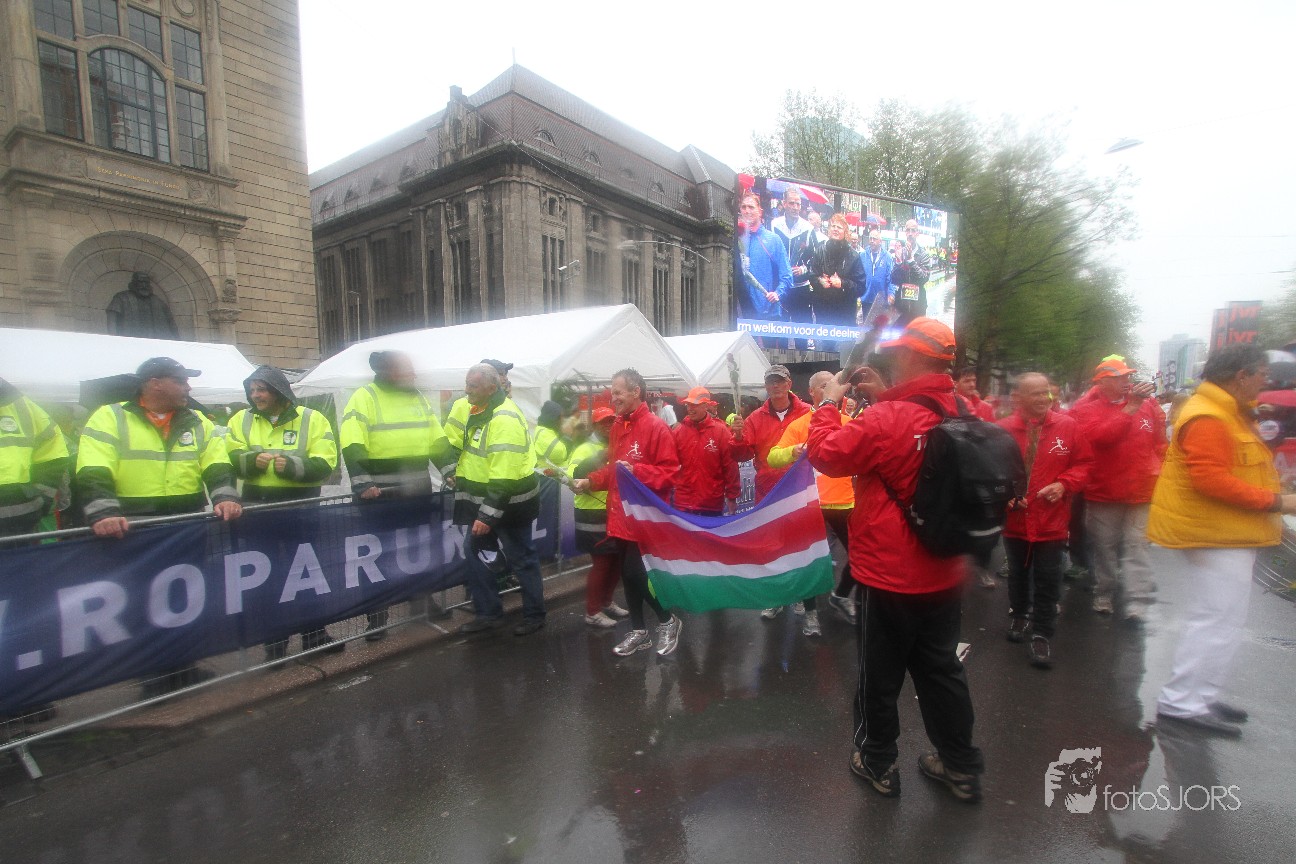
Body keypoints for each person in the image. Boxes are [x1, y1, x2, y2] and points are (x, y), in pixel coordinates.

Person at [808, 317, 984, 803]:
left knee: (880, 677)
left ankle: (878, 760)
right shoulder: (964, 410)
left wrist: (827, 404)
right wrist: (885, 395)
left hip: (889, 574)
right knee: (941, 671)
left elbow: (826, 454)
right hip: (944, 568)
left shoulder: (887, 418)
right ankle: (960, 766)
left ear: (911, 356)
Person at [1149, 344, 1296, 737]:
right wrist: (1279, 502)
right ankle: (1182, 701)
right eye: (1262, 374)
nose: (1266, 382)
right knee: (1214, 619)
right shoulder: (1209, 416)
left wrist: (1274, 489)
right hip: (1216, 535)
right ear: (1241, 375)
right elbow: (1210, 480)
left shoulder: (1225, 412)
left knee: (1224, 620)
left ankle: (1201, 695)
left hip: (1226, 532)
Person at [77, 357, 242, 696]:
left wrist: (225, 497)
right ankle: (151, 675)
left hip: (186, 522)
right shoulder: (110, 417)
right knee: (141, 598)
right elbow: (93, 467)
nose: (188, 388)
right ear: (154, 383)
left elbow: (217, 463)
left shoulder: (197, 420)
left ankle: (183, 666)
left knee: (186, 596)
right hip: (135, 525)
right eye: (180, 381)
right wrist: (102, 512)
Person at [226, 366, 343, 660]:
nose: (255, 395)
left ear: (278, 391)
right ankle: (275, 644)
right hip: (258, 511)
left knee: (308, 574)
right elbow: (227, 457)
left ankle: (314, 636)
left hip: (302, 510)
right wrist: (252, 460)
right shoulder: (240, 419)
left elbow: (326, 462)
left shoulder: (313, 419)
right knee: (267, 578)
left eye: (261, 389)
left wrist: (291, 467)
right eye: (252, 390)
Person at [340, 350, 455, 639]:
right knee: (376, 554)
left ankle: (421, 602)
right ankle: (377, 616)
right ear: (390, 372)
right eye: (407, 370)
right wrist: (363, 483)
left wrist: (450, 470)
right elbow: (352, 443)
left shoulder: (417, 398)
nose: (414, 375)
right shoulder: (364, 397)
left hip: (416, 488)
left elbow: (437, 439)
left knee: (419, 548)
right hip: (379, 492)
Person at [572, 369, 683, 657]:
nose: (614, 397)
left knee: (636, 573)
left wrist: (638, 471)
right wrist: (590, 481)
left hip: (644, 517)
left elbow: (670, 473)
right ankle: (639, 631)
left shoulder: (656, 427)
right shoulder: (618, 426)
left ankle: (667, 621)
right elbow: (614, 469)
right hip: (620, 514)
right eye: (612, 391)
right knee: (627, 575)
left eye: (618, 392)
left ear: (636, 392)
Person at [998, 373, 1093, 668]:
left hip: (1051, 521)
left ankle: (1042, 631)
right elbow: (991, 472)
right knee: (1017, 573)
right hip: (1015, 521)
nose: (1042, 398)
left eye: (1045, 393)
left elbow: (1083, 464)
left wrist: (1064, 484)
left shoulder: (1067, 426)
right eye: (1035, 394)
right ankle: (1019, 615)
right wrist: (1005, 497)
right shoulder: (1003, 430)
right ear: (1018, 398)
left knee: (1048, 579)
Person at [452, 364, 547, 637]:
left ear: (491, 388)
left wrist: (487, 516)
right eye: (467, 384)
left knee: (522, 559)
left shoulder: (504, 418)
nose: (467, 390)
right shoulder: (480, 411)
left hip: (510, 506)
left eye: (473, 385)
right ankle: (488, 614)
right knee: (476, 553)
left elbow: (504, 474)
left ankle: (534, 615)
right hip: (489, 504)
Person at [1070, 356, 1167, 620]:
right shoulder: (1086, 410)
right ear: (1102, 383)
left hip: (1142, 491)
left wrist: (1160, 470)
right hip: (1104, 493)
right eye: (1120, 377)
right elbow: (1100, 438)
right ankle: (1104, 592)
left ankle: (1137, 601)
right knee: (1105, 547)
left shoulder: (1149, 405)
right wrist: (1131, 407)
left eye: (1128, 376)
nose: (1127, 381)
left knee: (1138, 546)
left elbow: (1160, 443)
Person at [767, 371, 860, 635]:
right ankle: (810, 613)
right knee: (808, 560)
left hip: (843, 502)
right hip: (809, 503)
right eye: (824, 385)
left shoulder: (848, 422)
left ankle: (841, 595)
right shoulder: (800, 425)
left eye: (834, 384)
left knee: (861, 555)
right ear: (812, 392)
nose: (831, 388)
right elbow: (773, 457)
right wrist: (793, 451)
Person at [568, 408, 631, 628]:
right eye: (604, 422)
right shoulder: (584, 449)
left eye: (612, 421)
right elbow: (572, 478)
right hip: (591, 514)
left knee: (616, 560)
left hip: (614, 511)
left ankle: (606, 601)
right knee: (602, 562)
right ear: (594, 426)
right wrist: (600, 456)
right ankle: (592, 611)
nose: (609, 426)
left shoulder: (618, 446)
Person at [0, 378, 70, 538]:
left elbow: (54, 453)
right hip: (21, 519)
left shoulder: (23, 406)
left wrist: (41, 499)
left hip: (20, 524)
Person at [731, 365, 811, 504]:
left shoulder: (808, 413)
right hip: (767, 492)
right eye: (770, 382)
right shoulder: (754, 419)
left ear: (789, 384)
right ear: (766, 387)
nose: (775, 385)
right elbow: (743, 456)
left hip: (802, 490)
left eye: (780, 381)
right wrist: (738, 438)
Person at [671, 387, 739, 517]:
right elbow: (668, 463)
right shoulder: (679, 432)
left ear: (705, 406)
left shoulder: (721, 431)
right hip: (683, 503)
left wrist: (732, 496)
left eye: (694, 405)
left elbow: (731, 466)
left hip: (711, 504)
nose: (690, 408)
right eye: (688, 405)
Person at [734, 192, 792, 321]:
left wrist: (778, 293)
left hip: (769, 312)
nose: (747, 211)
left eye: (751, 207)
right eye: (743, 207)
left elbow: (787, 275)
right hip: (743, 313)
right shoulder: (736, 239)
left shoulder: (773, 239)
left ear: (760, 211)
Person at [806, 214, 866, 333]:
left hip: (845, 314)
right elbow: (812, 275)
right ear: (829, 229)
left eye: (839, 227)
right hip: (823, 312)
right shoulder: (819, 251)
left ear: (846, 232)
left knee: (843, 344)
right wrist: (819, 281)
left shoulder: (854, 256)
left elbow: (861, 287)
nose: (835, 229)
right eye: (833, 226)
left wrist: (842, 283)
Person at [771, 187, 817, 329]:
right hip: (781, 287)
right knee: (780, 331)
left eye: (798, 204)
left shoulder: (808, 228)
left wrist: (803, 269)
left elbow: (817, 258)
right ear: (784, 203)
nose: (795, 207)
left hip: (800, 287)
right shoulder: (774, 225)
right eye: (792, 203)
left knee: (802, 331)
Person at [106, 272, 179, 338]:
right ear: (134, 283)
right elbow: (112, 319)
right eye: (141, 282)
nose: (144, 285)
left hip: (155, 343)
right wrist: (113, 340)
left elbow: (171, 323)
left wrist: (178, 342)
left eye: (146, 282)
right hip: (129, 342)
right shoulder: (122, 298)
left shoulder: (158, 301)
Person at [890, 220, 932, 324]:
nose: (910, 233)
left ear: (917, 233)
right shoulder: (900, 252)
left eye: (913, 231)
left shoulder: (924, 255)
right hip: (901, 307)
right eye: (908, 230)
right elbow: (894, 279)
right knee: (899, 333)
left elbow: (924, 278)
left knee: (916, 333)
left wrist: (911, 261)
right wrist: (898, 262)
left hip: (918, 307)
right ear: (905, 232)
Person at [859, 230, 893, 314]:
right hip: (866, 298)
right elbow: (859, 276)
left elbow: (891, 279)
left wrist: (891, 293)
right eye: (870, 238)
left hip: (881, 300)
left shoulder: (887, 257)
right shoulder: (862, 255)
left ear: (880, 241)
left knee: (879, 322)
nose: (872, 241)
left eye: (874, 239)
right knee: (866, 322)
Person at [533, 400, 570, 472]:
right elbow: (559, 454)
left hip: (551, 474)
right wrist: (567, 441)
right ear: (553, 418)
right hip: (545, 475)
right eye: (561, 417)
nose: (563, 420)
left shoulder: (548, 431)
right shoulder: (543, 433)